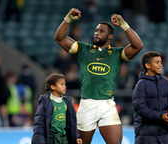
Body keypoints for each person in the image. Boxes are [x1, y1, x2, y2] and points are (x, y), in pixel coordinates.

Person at [54, 8, 143, 144]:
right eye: (96, 30)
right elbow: (59, 38)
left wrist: (124, 26)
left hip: (107, 105)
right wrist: (68, 19)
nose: (97, 33)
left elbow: (138, 46)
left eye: (102, 31)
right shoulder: (84, 49)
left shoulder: (116, 53)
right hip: (87, 104)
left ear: (110, 36)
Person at [132, 51, 168, 144]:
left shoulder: (166, 82)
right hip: (146, 136)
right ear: (148, 65)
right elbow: (141, 109)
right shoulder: (141, 84)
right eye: (157, 62)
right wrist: (161, 116)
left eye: (161, 62)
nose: (160, 65)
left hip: (166, 134)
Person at [32, 73, 82, 144]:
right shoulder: (45, 103)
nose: (65, 86)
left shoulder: (67, 102)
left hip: (64, 139)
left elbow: (72, 124)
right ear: (53, 86)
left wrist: (76, 137)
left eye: (65, 84)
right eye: (62, 84)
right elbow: (39, 126)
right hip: (51, 139)